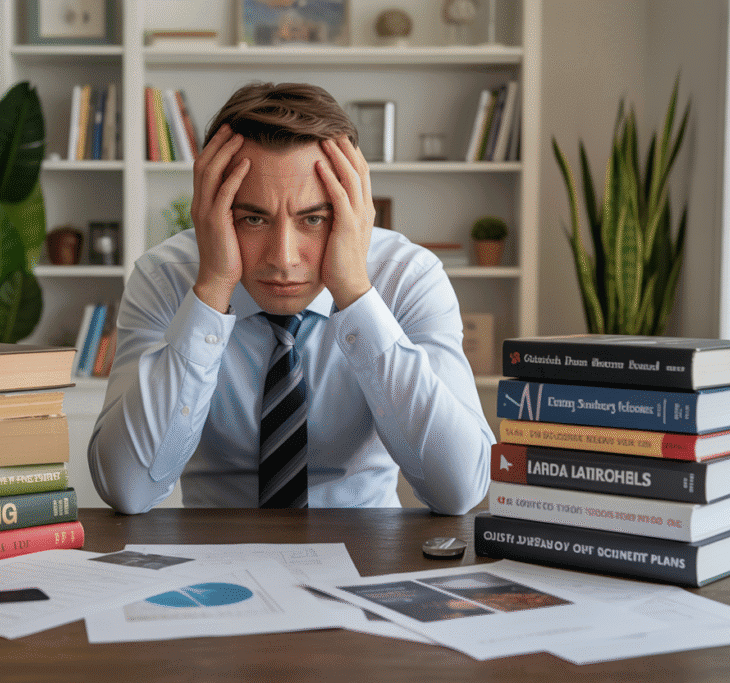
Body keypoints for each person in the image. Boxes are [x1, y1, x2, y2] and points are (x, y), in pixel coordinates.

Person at [88, 82, 493, 514]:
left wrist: (356, 295)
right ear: (212, 209)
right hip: (211, 555)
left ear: (353, 209)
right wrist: (210, 293)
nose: (283, 258)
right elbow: (127, 490)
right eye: (253, 219)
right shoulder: (165, 279)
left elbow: (461, 491)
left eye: (313, 218)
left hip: (367, 549)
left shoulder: (408, 277)